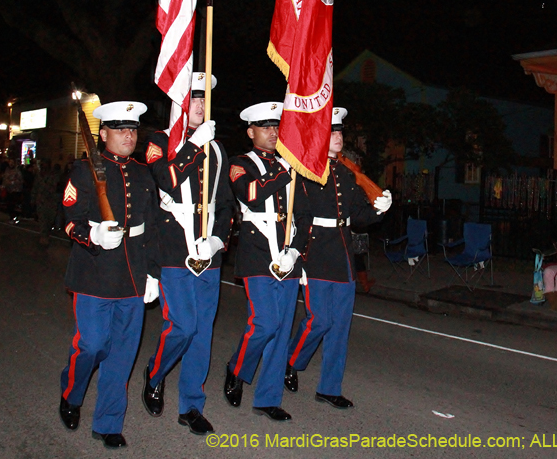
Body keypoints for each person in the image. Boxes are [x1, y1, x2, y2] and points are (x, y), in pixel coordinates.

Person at [58, 101, 161, 449]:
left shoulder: (145, 173)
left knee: (122, 354)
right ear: (103, 134)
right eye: (121, 130)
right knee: (92, 344)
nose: (129, 136)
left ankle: (108, 422)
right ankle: (72, 394)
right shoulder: (84, 169)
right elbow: (70, 219)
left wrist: (153, 274)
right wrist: (93, 235)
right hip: (94, 272)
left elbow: (152, 228)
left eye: (133, 130)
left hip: (133, 274)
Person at [141, 73, 235, 436]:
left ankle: (191, 405)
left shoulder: (217, 148)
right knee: (183, 325)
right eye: (193, 100)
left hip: (206, 254)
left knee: (202, 334)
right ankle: (155, 372)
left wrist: (217, 241)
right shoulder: (158, 141)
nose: (199, 106)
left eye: (203, 101)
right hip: (171, 250)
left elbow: (226, 204)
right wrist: (193, 145)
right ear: (178, 105)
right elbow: (165, 180)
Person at [285, 108, 392, 409]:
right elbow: (301, 215)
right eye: (332, 132)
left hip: (342, 252)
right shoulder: (305, 172)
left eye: (340, 132)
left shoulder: (347, 173)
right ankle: (290, 362)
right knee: (319, 320)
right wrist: (298, 252)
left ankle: (329, 388)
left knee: (340, 326)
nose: (338, 137)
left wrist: (379, 209)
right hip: (316, 251)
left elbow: (357, 214)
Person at [224, 101, 306, 422]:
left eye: (276, 127)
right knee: (265, 323)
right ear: (251, 131)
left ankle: (268, 398)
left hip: (288, 255)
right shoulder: (240, 163)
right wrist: (285, 170)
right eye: (266, 127)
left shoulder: (291, 165)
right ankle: (237, 368)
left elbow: (304, 213)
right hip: (257, 253)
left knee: (282, 329)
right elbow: (252, 194)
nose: (273, 133)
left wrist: (296, 249)